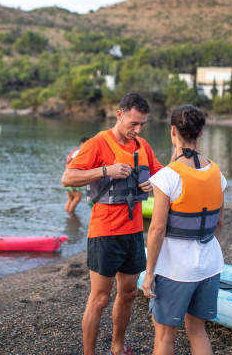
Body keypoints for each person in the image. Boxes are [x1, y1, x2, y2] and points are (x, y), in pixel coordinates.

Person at [62, 93, 163, 355]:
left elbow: (162, 174)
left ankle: (118, 347)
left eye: (142, 124)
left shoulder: (143, 146)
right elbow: (68, 178)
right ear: (119, 115)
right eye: (133, 123)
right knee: (99, 299)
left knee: (128, 293)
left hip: (133, 233)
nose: (137, 129)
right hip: (104, 232)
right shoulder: (98, 143)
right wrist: (106, 171)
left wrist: (153, 182)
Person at [140, 105, 226, 355]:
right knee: (197, 330)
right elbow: (219, 223)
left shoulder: (167, 176)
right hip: (210, 265)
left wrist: (149, 273)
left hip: (175, 269)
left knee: (165, 335)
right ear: (200, 134)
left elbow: (156, 229)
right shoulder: (217, 172)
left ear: (173, 131)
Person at [65, 137, 90, 213]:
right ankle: (70, 215)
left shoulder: (74, 151)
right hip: (72, 178)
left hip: (67, 177)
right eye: (87, 143)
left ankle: (67, 215)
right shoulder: (79, 152)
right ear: (82, 144)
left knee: (70, 198)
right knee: (78, 198)